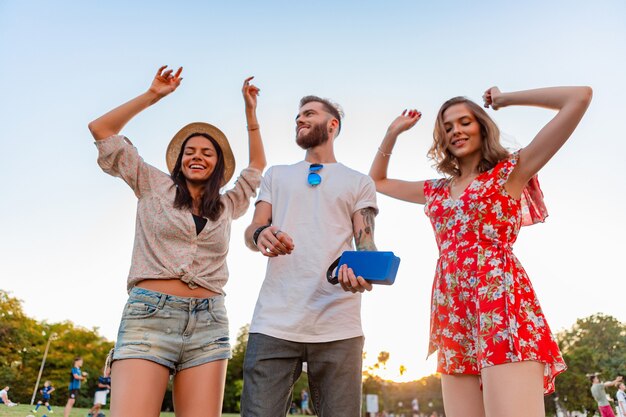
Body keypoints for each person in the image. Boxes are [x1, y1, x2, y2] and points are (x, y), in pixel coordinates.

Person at [369, 85, 592, 417]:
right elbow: (378, 181)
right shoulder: (436, 190)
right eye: (447, 127)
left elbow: (580, 97)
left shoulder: (512, 172)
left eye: (464, 122)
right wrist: (392, 133)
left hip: (502, 309)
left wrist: (505, 100)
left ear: (482, 126)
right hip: (452, 314)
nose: (456, 131)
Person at [88, 66, 266, 417]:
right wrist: (153, 94)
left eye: (207, 152)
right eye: (190, 150)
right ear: (179, 160)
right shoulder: (152, 184)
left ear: (217, 165)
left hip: (210, 321)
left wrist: (250, 112)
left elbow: (257, 164)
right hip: (149, 316)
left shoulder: (227, 205)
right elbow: (101, 130)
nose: (197, 156)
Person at [241, 94, 378, 417]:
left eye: (309, 114)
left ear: (333, 125)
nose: (300, 119)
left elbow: (366, 244)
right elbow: (252, 230)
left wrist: (365, 274)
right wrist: (263, 234)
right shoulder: (277, 175)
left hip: (338, 325)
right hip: (274, 321)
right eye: (298, 116)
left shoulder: (359, 181)